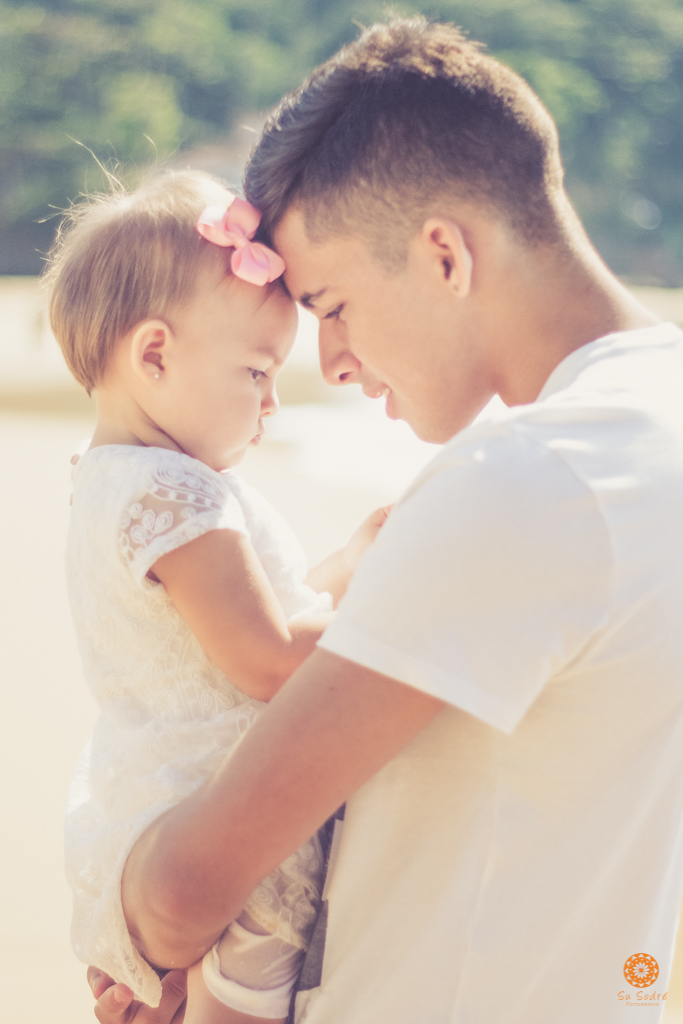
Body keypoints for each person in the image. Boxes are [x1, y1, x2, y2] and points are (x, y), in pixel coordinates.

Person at [92, 16, 683, 1024]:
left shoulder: (525, 480)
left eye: (329, 305)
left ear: (443, 254)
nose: (328, 363)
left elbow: (186, 885)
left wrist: (123, 908)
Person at [46, 169, 389, 1024]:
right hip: (233, 820)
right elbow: (270, 662)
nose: (273, 402)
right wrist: (399, 614)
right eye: (255, 373)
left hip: (166, 802)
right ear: (155, 354)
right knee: (244, 1002)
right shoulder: (178, 496)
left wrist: (350, 560)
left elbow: (251, 624)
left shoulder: (116, 481)